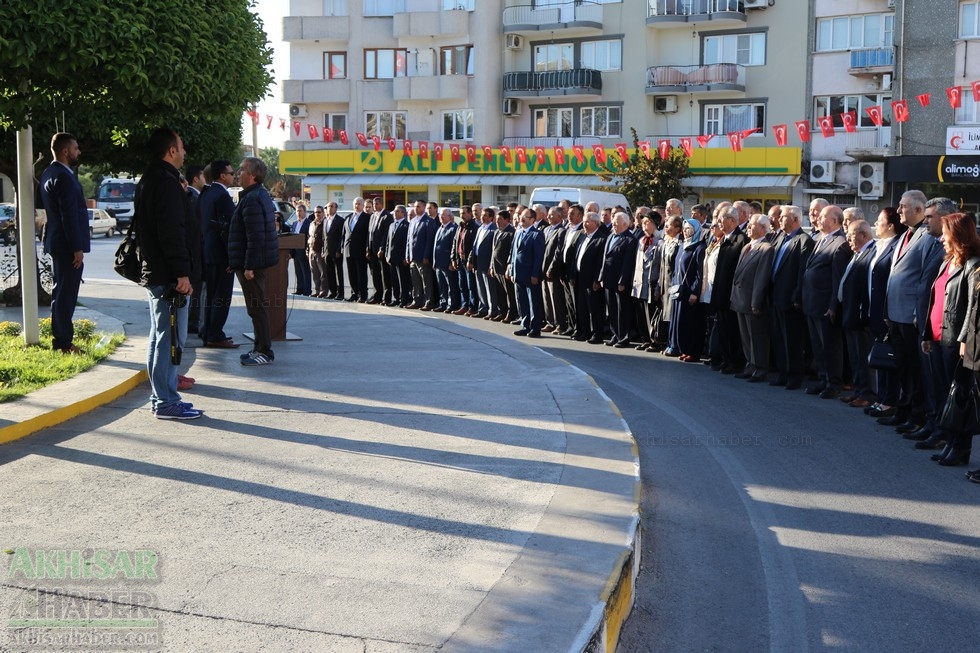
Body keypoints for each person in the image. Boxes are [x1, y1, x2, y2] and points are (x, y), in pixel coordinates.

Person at [134, 127, 200, 419]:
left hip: (158, 273)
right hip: (169, 278)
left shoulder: (153, 179)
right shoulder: (165, 182)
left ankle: (163, 396)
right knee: (169, 339)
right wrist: (182, 274)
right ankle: (165, 401)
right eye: (182, 146)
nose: (184, 152)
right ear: (171, 150)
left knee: (162, 337)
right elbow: (172, 233)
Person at [913, 212, 980, 455]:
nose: (941, 238)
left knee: (959, 395)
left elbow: (973, 307)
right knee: (943, 391)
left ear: (958, 234)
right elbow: (934, 299)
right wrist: (927, 335)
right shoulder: (946, 261)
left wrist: (964, 340)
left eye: (945, 233)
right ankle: (947, 439)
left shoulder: (972, 265)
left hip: (956, 342)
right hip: (938, 337)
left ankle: (959, 447)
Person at [880, 191, 945, 431]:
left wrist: (921, 313)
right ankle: (905, 409)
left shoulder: (928, 237)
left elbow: (925, 279)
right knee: (903, 366)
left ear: (918, 210)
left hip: (912, 315)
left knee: (916, 370)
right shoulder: (905, 235)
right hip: (896, 312)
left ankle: (918, 414)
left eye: (903, 206)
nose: (898, 211)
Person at [39, 132, 90, 354]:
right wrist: (77, 248)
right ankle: (63, 343)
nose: (79, 152)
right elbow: (68, 215)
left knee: (61, 294)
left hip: (58, 243)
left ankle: (61, 339)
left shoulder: (49, 172)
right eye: (76, 148)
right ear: (65, 151)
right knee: (66, 296)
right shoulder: (63, 177)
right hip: (67, 246)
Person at [228, 157, 279, 366]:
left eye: (242, 170)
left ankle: (264, 351)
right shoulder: (255, 195)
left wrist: (248, 266)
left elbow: (255, 236)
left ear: (253, 175)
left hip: (253, 265)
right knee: (255, 308)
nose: (238, 173)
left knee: (257, 308)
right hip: (250, 262)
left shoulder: (252, 198)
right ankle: (258, 347)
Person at [801, 204, 851, 399]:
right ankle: (823, 379)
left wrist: (833, 305)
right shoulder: (821, 239)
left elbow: (838, 279)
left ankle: (833, 383)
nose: (819, 219)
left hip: (825, 305)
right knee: (818, 346)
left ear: (834, 220)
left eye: (823, 216)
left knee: (830, 346)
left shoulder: (840, 243)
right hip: (812, 302)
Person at [864, 207, 906, 415]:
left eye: (879, 220)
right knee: (880, 355)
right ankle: (881, 397)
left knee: (889, 357)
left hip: (887, 313)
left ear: (890, 225)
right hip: (874, 310)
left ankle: (890, 400)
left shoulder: (896, 246)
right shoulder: (878, 245)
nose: (875, 223)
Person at [771, 205, 815, 389]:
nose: (780, 219)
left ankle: (794, 375)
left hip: (790, 298)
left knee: (793, 340)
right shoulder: (780, 237)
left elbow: (801, 271)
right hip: (775, 295)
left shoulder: (804, 240)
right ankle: (783, 372)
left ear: (795, 219)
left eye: (783, 217)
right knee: (779, 337)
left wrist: (797, 296)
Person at [199, 160, 240, 348]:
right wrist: (232, 257)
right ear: (222, 175)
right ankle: (216, 335)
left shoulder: (206, 193)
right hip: (221, 255)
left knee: (211, 296)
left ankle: (209, 332)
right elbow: (231, 227)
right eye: (231, 173)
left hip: (208, 252)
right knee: (221, 297)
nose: (234, 176)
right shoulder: (222, 195)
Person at [836, 219, 877, 405]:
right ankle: (858, 390)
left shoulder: (871, 252)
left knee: (862, 357)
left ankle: (866, 394)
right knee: (854, 357)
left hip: (860, 316)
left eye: (851, 235)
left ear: (864, 234)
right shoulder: (857, 253)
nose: (848, 239)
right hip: (850, 314)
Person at [730, 214, 774, 381]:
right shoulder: (747, 246)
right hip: (740, 298)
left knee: (757, 336)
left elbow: (762, 277)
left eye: (752, 225)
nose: (748, 227)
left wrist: (756, 302)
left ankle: (760, 368)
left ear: (763, 228)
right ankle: (750, 365)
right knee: (746, 335)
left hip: (752, 300)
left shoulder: (766, 248)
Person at [667, 219, 707, 362]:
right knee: (681, 321)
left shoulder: (699, 248)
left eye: (689, 228)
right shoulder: (682, 245)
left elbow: (699, 273)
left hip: (690, 291)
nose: (686, 231)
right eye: (684, 228)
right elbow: (675, 269)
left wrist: (695, 293)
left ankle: (693, 351)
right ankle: (683, 348)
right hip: (679, 290)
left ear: (696, 230)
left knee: (692, 323)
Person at [600, 212, 638, 347]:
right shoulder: (611, 236)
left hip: (620, 281)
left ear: (625, 224)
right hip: (608, 279)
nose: (614, 224)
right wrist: (601, 277)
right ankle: (615, 334)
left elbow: (628, 263)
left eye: (617, 222)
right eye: (613, 221)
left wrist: (622, 281)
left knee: (622, 310)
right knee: (612, 309)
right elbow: (605, 259)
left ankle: (624, 337)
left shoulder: (630, 239)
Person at [510, 208, 546, 337]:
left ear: (532, 219)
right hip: (519, 273)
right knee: (522, 301)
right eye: (521, 216)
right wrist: (512, 270)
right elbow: (514, 254)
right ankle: (525, 325)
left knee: (533, 301)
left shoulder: (537, 234)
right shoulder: (518, 233)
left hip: (530, 274)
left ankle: (535, 328)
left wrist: (535, 274)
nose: (521, 218)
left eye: (525, 216)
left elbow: (538, 257)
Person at [631, 214, 662, 351]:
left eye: (647, 222)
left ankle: (654, 340)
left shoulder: (660, 241)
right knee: (640, 312)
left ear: (654, 224)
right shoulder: (641, 240)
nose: (644, 225)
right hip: (639, 282)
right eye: (643, 222)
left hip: (651, 281)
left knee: (651, 312)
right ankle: (645, 338)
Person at [432, 207, 460, 312]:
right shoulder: (440, 228)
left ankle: (452, 304)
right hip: (439, 262)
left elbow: (453, 247)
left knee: (451, 285)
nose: (442, 217)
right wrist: (434, 262)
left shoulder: (453, 228)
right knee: (441, 285)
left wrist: (451, 262)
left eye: (444, 215)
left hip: (447, 263)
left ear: (450, 217)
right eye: (440, 215)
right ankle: (443, 303)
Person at [343, 197, 370, 302]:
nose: (356, 206)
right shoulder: (348, 217)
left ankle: (363, 295)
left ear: (363, 206)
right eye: (355, 204)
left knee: (361, 274)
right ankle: (354, 293)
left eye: (359, 204)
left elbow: (368, 235)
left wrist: (367, 249)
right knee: (351, 273)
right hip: (348, 249)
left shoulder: (367, 218)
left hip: (361, 249)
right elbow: (344, 234)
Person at [367, 197, 392, 305]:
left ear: (382, 204)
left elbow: (386, 234)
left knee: (384, 275)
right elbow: (370, 234)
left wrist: (382, 248)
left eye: (377, 204)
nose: (375, 206)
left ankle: (386, 298)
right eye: (374, 204)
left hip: (381, 250)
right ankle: (377, 295)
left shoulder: (387, 216)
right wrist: (368, 249)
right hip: (372, 249)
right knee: (375, 274)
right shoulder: (372, 216)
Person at [386, 205, 412, 307]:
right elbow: (388, 242)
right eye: (394, 211)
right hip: (392, 257)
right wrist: (387, 255)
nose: (395, 213)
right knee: (394, 280)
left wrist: (406, 257)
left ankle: (404, 299)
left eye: (397, 211)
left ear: (403, 213)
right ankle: (396, 298)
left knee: (403, 280)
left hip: (401, 258)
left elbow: (407, 243)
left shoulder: (406, 225)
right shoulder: (391, 225)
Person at [323, 201, 346, 299]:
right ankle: (333, 292)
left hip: (336, 251)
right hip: (327, 251)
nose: (329, 208)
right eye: (328, 206)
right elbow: (324, 237)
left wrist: (338, 250)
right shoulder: (325, 220)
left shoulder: (340, 220)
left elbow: (341, 237)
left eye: (332, 206)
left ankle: (340, 293)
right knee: (330, 273)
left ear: (336, 209)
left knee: (338, 273)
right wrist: (323, 250)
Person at [308, 205, 327, 297]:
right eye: (316, 212)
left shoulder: (325, 223)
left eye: (319, 212)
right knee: (315, 272)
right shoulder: (312, 223)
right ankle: (317, 290)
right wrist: (308, 250)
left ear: (323, 213)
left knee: (322, 272)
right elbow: (309, 237)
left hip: (320, 251)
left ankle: (323, 291)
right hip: (311, 250)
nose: (317, 214)